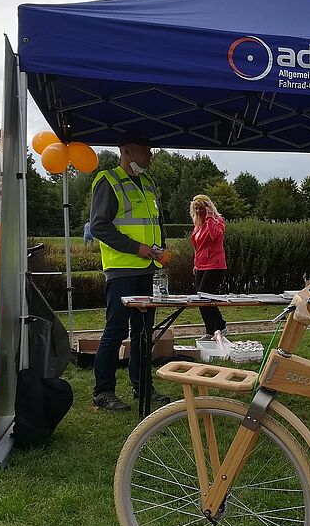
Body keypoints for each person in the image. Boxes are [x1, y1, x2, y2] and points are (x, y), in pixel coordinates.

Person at [89, 138, 171, 411]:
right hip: (122, 270)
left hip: (148, 269)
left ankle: (143, 387)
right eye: (145, 151)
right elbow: (100, 226)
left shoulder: (148, 183)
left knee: (144, 332)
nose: (149, 156)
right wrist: (138, 248)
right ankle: (103, 392)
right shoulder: (108, 180)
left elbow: (155, 222)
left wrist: (161, 249)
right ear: (126, 151)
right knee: (115, 330)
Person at [190, 194, 228, 341]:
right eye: (196, 208)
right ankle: (210, 330)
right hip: (201, 266)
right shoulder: (197, 224)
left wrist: (210, 218)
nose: (199, 211)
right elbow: (198, 247)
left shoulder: (218, 221)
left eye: (202, 208)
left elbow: (215, 237)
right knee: (200, 299)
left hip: (215, 265)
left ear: (208, 208)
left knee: (206, 296)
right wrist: (195, 263)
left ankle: (221, 326)